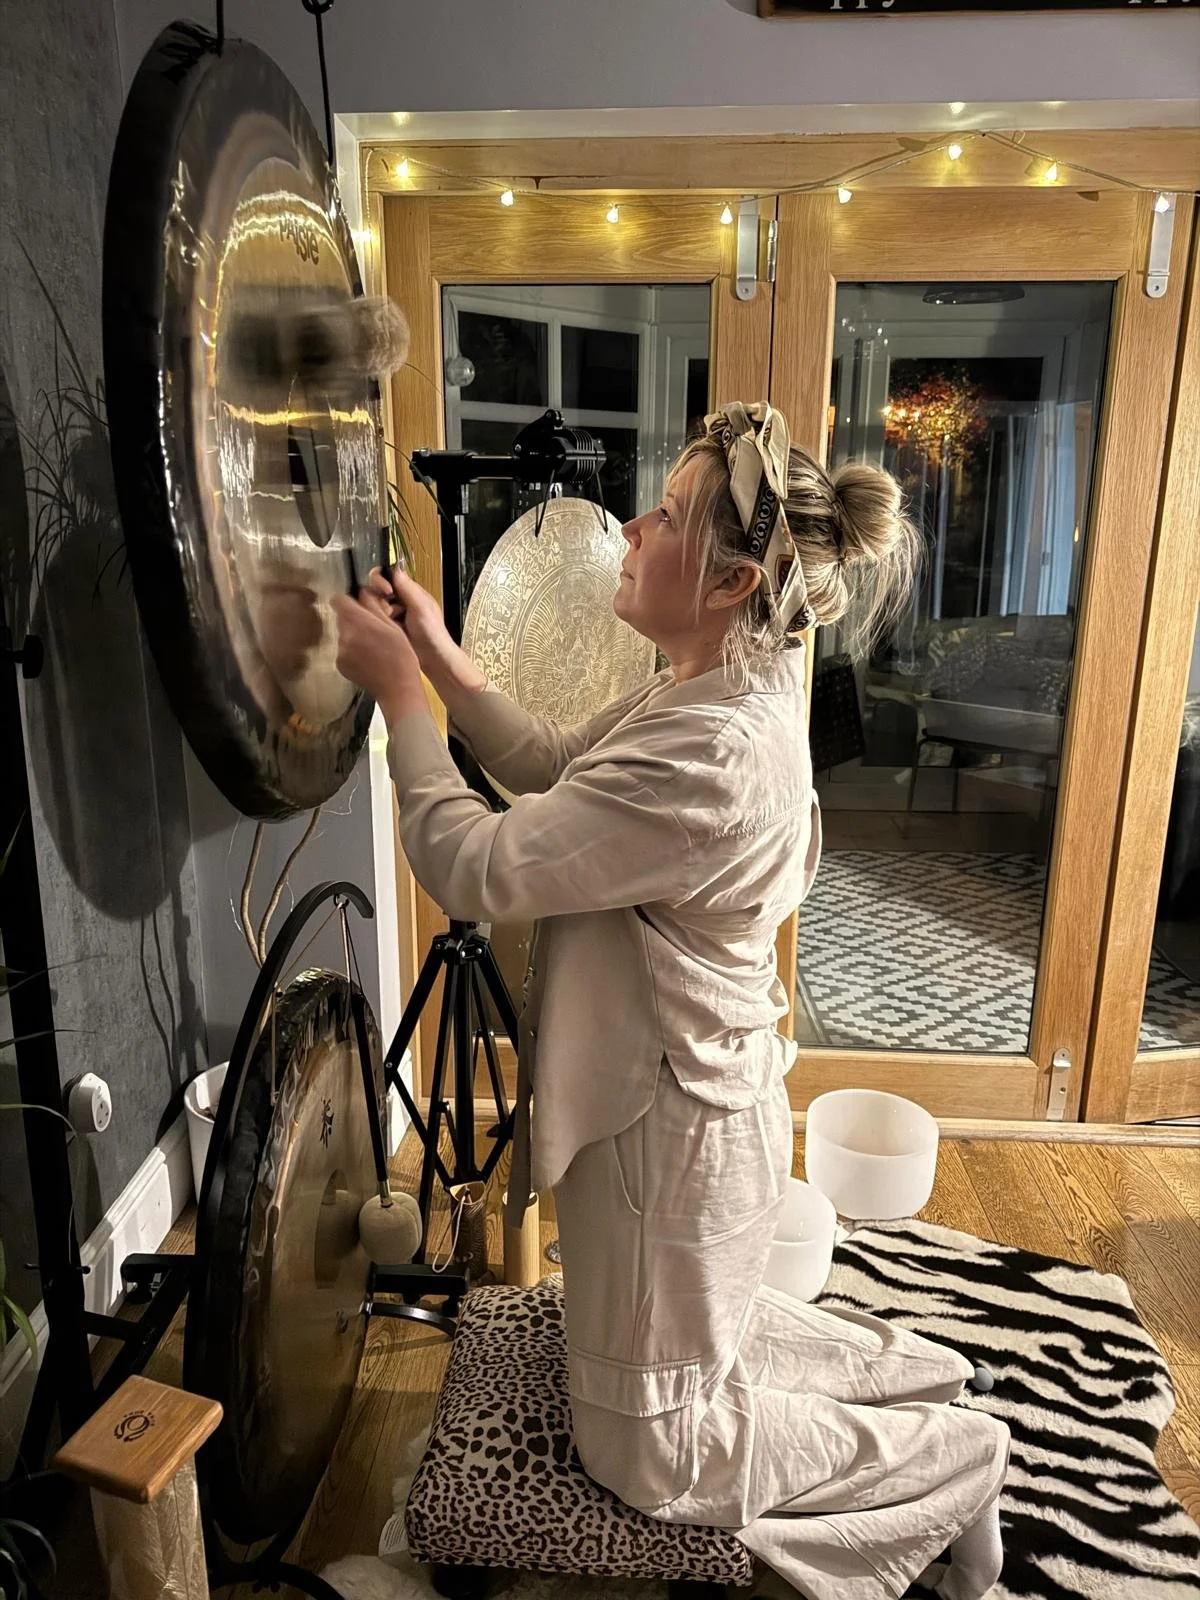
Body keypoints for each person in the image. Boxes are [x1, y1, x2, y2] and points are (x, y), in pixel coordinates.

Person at [333, 402, 1010, 1600]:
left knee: (652, 1449)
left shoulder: (715, 750)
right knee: (709, 1349)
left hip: (673, 1141)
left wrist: (399, 707)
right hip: (686, 1112)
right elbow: (549, 759)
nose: (633, 526)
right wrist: (440, 659)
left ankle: (951, 1455)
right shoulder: (705, 684)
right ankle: (913, 1376)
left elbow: (482, 866)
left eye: (670, 513)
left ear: (735, 575)